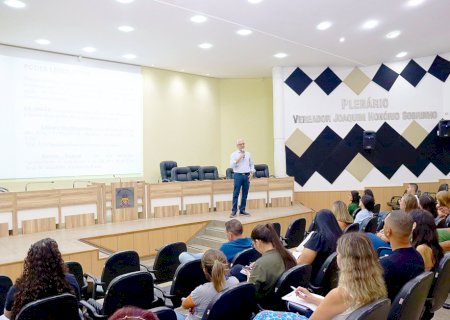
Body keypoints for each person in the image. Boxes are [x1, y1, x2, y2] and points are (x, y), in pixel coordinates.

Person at [253, 232, 387, 320]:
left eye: (338, 253)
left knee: (262, 316)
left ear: (347, 260)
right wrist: (311, 298)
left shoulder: (340, 293)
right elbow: (342, 307)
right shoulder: (374, 285)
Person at [3, 238, 80, 320]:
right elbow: (76, 304)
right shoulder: (71, 281)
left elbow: (7, 315)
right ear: (57, 259)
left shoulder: (17, 290)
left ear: (30, 263)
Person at [242, 224, 296, 307]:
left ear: (258, 242)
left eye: (253, 243)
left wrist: (249, 277)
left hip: (264, 303)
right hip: (281, 300)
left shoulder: (261, 264)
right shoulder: (287, 254)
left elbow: (251, 294)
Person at [176, 249, 238, 320]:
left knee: (173, 312)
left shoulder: (200, 291)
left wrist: (186, 301)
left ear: (204, 270)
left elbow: (184, 305)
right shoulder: (235, 282)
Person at [379, 210, 424, 300]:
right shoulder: (418, 256)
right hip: (407, 310)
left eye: (384, 224)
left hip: (387, 311)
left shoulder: (387, 264)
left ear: (388, 231)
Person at [297, 209, 342, 284]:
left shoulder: (318, 238)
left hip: (315, 280)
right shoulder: (340, 235)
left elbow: (301, 264)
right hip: (331, 280)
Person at [179, 219, 252, 264]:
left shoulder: (226, 247)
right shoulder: (250, 242)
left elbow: (215, 259)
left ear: (230, 234)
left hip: (215, 265)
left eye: (226, 234)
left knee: (183, 255)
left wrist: (208, 253)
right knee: (197, 254)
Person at [229, 138, 255, 218]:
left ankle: (242, 210)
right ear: (237, 145)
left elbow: (251, 164)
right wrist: (239, 158)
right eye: (241, 144)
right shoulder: (234, 154)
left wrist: (251, 172)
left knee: (245, 194)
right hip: (238, 175)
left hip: (246, 176)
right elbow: (231, 166)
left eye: (243, 144)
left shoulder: (248, 154)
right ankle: (234, 211)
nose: (242, 145)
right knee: (236, 193)